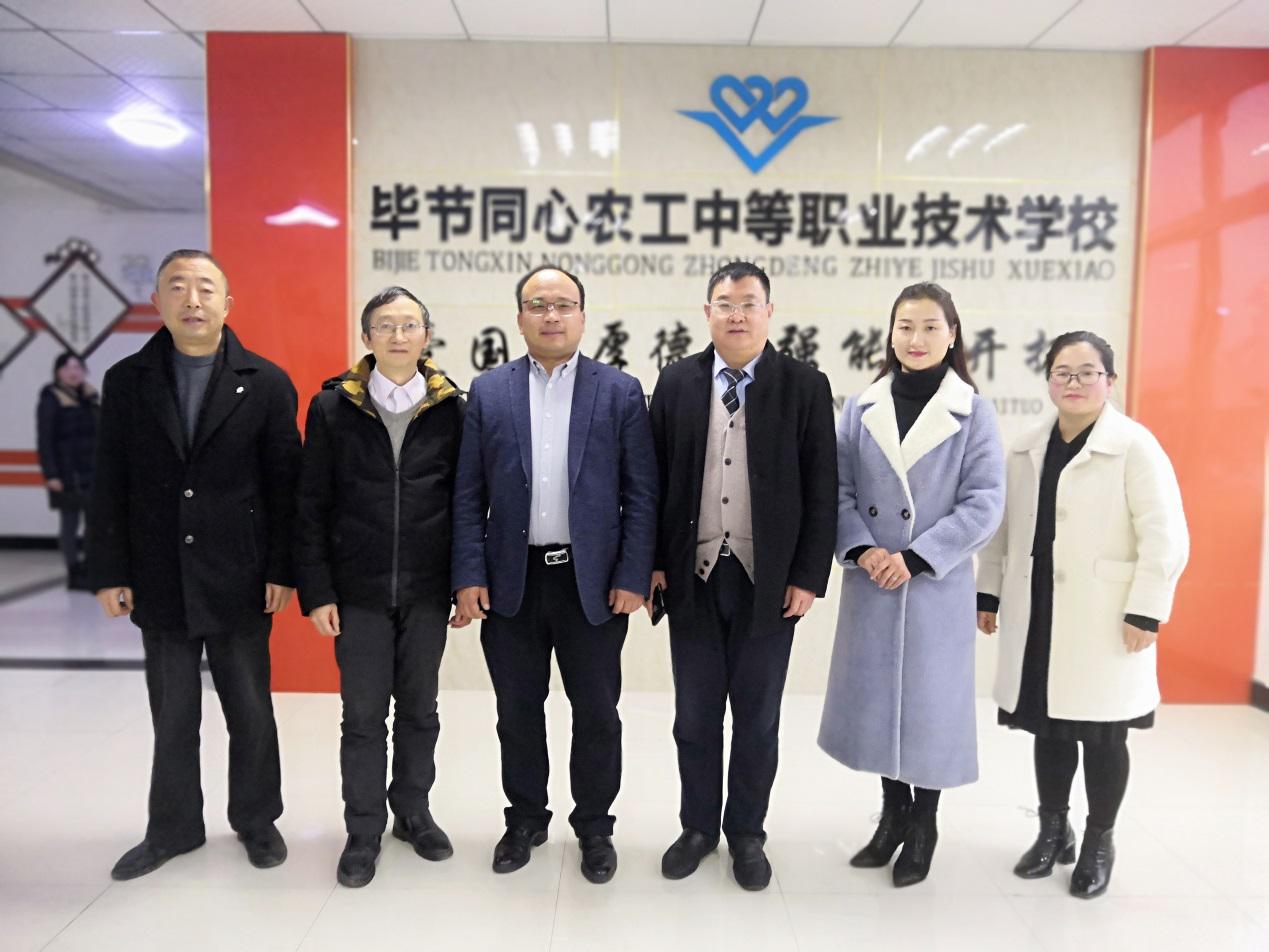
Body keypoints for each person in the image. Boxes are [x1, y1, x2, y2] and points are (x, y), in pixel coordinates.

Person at [88, 249, 300, 881]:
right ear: (157, 302)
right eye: (177, 287)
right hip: (160, 574)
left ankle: (257, 820)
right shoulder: (128, 381)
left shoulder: (266, 382)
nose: (192, 299)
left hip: (241, 573)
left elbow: (286, 486)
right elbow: (109, 479)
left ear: (227, 305)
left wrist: (283, 568)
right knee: (174, 714)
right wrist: (109, 569)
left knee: (250, 710)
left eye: (206, 288)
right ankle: (174, 828)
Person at [451, 264, 657, 884]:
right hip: (511, 581)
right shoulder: (489, 392)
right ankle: (524, 819)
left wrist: (633, 575)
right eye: (538, 304)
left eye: (563, 304)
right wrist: (468, 572)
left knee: (597, 712)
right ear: (519, 318)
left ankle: (594, 826)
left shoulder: (619, 391)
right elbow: (467, 494)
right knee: (517, 710)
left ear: (582, 316)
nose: (551, 315)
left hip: (591, 583)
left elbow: (640, 493)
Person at [977, 330, 1188, 899]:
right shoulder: (1026, 447)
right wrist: (988, 594)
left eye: (1088, 372)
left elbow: (1166, 535)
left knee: (1102, 734)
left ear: (1109, 381)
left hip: (1105, 615)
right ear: (1048, 380)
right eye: (1063, 373)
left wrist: (1147, 609)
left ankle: (1098, 841)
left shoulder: (1135, 446)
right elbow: (1002, 530)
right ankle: (1053, 831)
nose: (1074, 383)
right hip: (1038, 608)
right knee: (1047, 727)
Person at [648, 260, 837, 891]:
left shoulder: (804, 385)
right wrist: (653, 563)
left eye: (748, 304)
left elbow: (822, 486)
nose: (736, 315)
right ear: (707, 313)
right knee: (694, 717)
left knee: (757, 719)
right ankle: (698, 828)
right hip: (692, 576)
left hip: (770, 584)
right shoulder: (676, 381)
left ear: (769, 312)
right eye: (725, 304)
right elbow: (653, 480)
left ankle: (747, 833)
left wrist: (807, 575)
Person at [818, 282, 1005, 887]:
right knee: (880, 705)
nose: (916, 338)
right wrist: (864, 549)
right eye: (905, 326)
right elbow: (838, 491)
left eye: (929, 327)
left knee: (929, 709)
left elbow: (984, 503)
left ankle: (924, 824)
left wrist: (919, 557)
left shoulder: (973, 412)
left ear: (952, 335)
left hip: (933, 586)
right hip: (874, 580)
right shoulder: (861, 407)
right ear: (891, 333)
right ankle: (892, 816)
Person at [295, 286, 465, 888]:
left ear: (426, 337)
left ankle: (413, 813)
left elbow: (465, 503)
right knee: (363, 716)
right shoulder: (332, 407)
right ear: (366, 337)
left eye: (409, 324)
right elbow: (310, 504)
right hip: (357, 591)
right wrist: (317, 590)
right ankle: (363, 828)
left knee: (420, 711)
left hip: (427, 590)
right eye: (385, 325)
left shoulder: (452, 408)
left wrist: (464, 583)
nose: (398, 335)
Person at [36, 351, 99, 588]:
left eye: (77, 367)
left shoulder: (90, 397)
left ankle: (91, 568)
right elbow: (45, 440)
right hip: (66, 473)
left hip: (92, 471)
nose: (73, 372)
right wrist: (51, 474)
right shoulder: (51, 398)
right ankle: (74, 572)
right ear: (58, 372)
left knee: (95, 523)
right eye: (67, 368)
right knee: (70, 524)